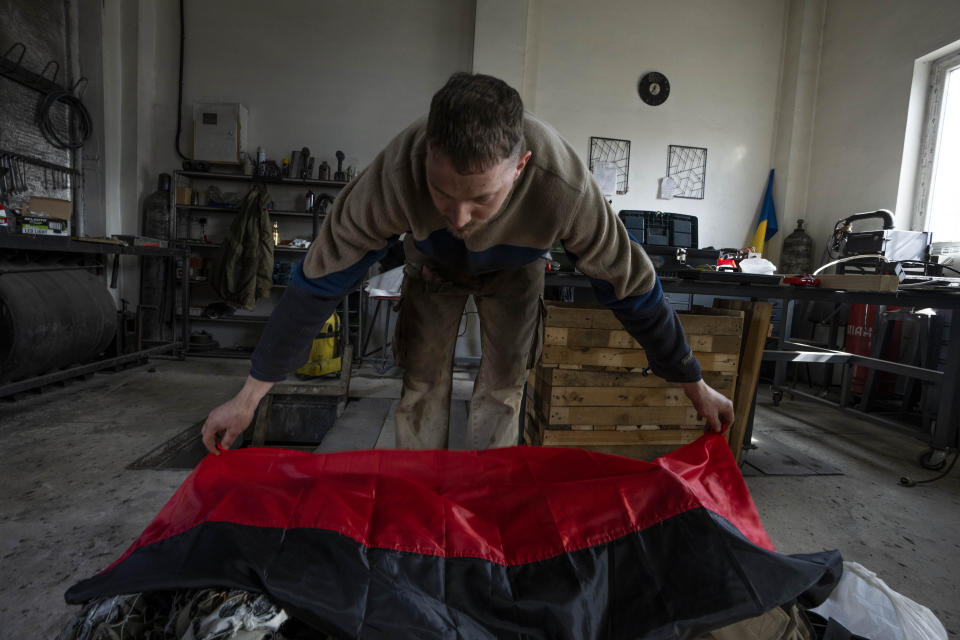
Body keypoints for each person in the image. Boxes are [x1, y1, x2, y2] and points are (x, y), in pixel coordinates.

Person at [201, 72, 734, 454]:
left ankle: (486, 500)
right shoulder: (393, 174)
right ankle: (419, 496)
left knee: (504, 387)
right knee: (421, 384)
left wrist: (693, 382)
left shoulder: (563, 185)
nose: (459, 216)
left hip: (516, 272)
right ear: (426, 152)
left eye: (481, 199)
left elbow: (634, 290)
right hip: (432, 266)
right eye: (440, 191)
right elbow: (317, 284)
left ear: (521, 166)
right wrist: (249, 397)